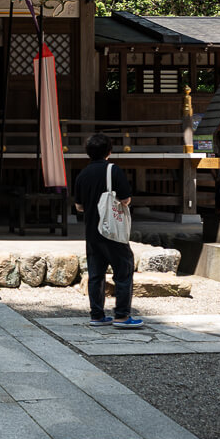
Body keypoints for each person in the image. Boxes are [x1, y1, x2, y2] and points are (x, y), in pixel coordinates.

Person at [72, 133, 141, 328]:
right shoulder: (113, 170)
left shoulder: (82, 175)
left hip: (92, 232)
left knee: (95, 274)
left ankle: (97, 315)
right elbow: (125, 199)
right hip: (112, 231)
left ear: (88, 153)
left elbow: (79, 206)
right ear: (109, 152)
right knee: (123, 271)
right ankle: (121, 315)